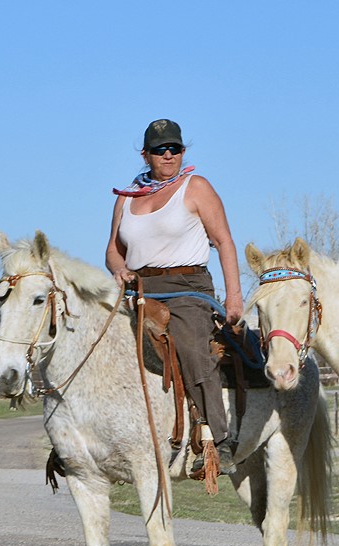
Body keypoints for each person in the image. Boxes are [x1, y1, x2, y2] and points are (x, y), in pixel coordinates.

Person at [106, 119, 243, 473]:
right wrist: (119, 269)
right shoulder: (127, 197)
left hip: (187, 287)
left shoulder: (195, 188)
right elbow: (112, 250)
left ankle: (219, 439)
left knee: (192, 349)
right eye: (159, 150)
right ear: (145, 154)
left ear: (183, 151)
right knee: (100, 340)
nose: (168, 155)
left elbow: (224, 241)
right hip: (139, 288)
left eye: (175, 149)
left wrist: (234, 297)